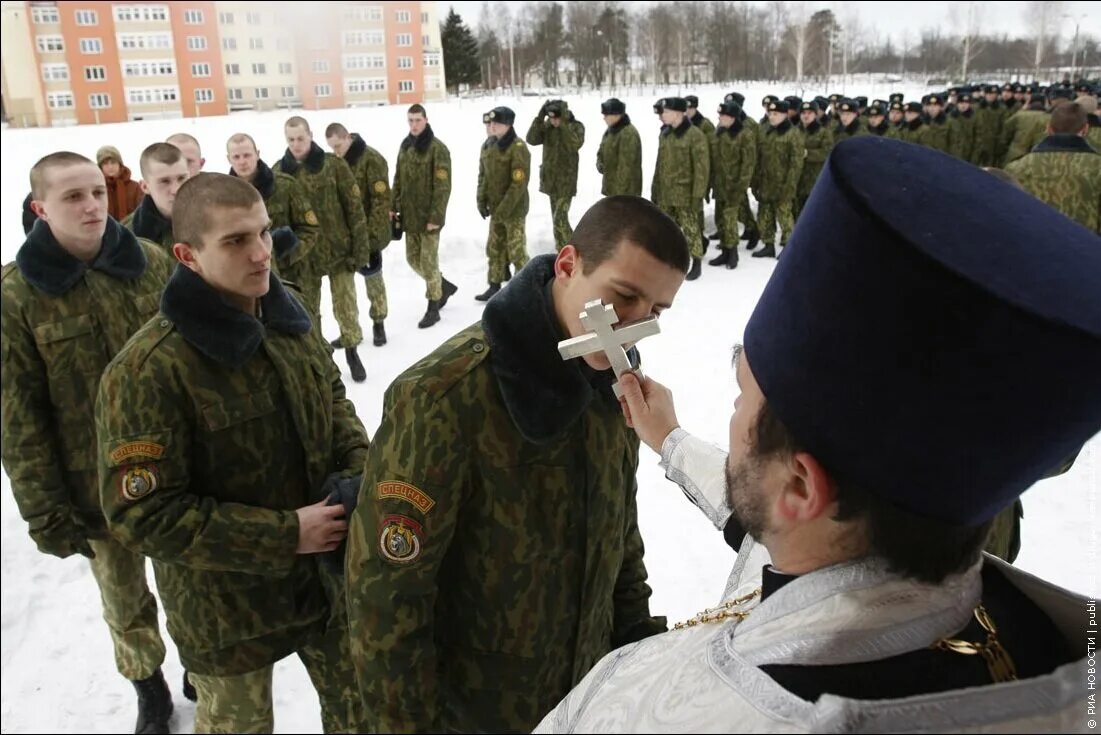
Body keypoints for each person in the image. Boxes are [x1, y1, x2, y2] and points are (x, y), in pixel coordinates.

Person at [534, 136, 1100, 733]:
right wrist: (670, 439)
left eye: (742, 399)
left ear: (801, 484)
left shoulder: (649, 709)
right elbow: (767, 517)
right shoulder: (1028, 635)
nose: (734, 418)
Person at [346, 196, 685, 733]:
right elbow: (387, 602)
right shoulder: (445, 398)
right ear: (569, 265)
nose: (634, 325)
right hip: (477, 715)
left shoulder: (609, 380)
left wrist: (634, 643)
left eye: (656, 312)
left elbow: (619, 531)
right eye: (623, 297)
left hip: (585, 699)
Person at [95, 172, 370, 733]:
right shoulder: (150, 371)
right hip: (226, 613)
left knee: (363, 717)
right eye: (236, 241)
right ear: (186, 255)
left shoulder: (285, 313)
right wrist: (285, 533)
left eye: (264, 233)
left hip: (324, 585)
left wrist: (357, 472)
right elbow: (142, 514)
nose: (261, 253)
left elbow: (333, 399)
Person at [2, 152, 176, 734]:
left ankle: (202, 663)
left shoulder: (150, 264)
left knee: (191, 581)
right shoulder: (15, 297)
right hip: (93, 488)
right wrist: (45, 510)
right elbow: (17, 417)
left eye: (97, 192)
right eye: (72, 196)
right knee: (125, 599)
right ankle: (148, 687)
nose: (92, 206)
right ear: (39, 209)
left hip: (175, 472)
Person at [274, 116, 371, 382]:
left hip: (339, 250)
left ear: (310, 135)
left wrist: (360, 249)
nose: (296, 144)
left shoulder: (334, 165)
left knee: (346, 306)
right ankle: (319, 357)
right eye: (291, 139)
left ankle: (352, 350)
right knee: (308, 311)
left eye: (300, 138)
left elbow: (354, 208)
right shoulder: (279, 173)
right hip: (304, 257)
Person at [226, 132, 320, 289]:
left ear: (257, 154)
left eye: (247, 155)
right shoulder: (224, 195)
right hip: (247, 281)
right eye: (236, 157)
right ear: (229, 159)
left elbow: (309, 228)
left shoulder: (285, 186)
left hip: (293, 278)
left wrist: (286, 255)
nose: (242, 162)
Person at [326, 123, 392, 346]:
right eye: (331, 148)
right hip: (345, 233)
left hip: (368, 231)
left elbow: (381, 201)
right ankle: (350, 330)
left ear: (347, 138)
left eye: (337, 146)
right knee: (345, 287)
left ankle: (379, 321)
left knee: (373, 277)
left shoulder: (372, 159)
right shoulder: (335, 162)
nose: (335, 152)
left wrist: (371, 235)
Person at [392, 104, 458, 329]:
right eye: (410, 120)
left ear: (426, 120)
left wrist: (436, 217)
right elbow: (398, 178)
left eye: (417, 120)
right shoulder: (406, 146)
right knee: (413, 259)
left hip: (429, 218)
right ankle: (443, 286)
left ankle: (433, 306)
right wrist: (393, 205)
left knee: (429, 263)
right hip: (410, 216)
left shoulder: (437, 148)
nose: (413, 125)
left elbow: (443, 186)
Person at [1006, 102, 1101, 233]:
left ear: (1049, 129)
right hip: (1084, 248)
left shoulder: (1017, 168)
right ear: (1085, 130)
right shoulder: (1097, 168)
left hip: (1033, 245)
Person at [474, 106, 530, 303]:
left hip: (513, 210)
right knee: (494, 247)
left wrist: (503, 209)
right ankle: (494, 284)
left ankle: (525, 287)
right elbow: (483, 176)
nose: (492, 126)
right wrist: (481, 199)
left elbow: (519, 183)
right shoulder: (488, 146)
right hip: (496, 209)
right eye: (490, 123)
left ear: (508, 125)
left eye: (496, 123)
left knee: (516, 250)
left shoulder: (518, 148)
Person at [651, 97, 710, 280]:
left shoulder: (695, 135)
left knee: (691, 228)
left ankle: (697, 261)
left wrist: (697, 194)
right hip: (666, 193)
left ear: (678, 113)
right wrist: (655, 188)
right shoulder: (665, 134)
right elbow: (660, 164)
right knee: (668, 229)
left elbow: (702, 168)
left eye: (666, 112)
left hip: (685, 193)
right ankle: (671, 260)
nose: (662, 116)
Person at [526, 99, 585, 251]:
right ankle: (562, 250)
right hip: (551, 182)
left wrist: (563, 124)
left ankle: (576, 250)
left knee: (560, 219)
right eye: (551, 117)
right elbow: (531, 139)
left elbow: (574, 144)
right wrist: (540, 117)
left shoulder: (575, 127)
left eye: (557, 117)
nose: (554, 121)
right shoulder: (548, 127)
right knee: (556, 221)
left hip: (566, 183)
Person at [707, 100, 756, 269]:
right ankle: (725, 251)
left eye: (724, 116)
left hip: (735, 186)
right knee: (720, 218)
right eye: (719, 115)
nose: (720, 118)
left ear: (733, 117)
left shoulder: (745, 135)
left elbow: (747, 164)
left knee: (729, 219)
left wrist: (741, 187)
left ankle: (732, 252)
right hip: (720, 185)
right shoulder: (718, 133)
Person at [752, 99, 803, 259]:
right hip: (766, 183)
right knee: (764, 215)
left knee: (785, 217)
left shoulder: (793, 134)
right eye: (770, 113)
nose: (772, 117)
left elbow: (796, 163)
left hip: (783, 184)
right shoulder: (767, 131)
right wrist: (756, 181)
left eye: (776, 114)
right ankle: (768, 244)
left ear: (785, 115)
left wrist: (790, 185)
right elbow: (759, 158)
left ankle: (790, 247)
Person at [122, 143, 190, 253]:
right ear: (145, 187)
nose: (176, 190)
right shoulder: (128, 237)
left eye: (181, 178)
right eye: (164, 181)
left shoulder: (213, 219)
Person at [596, 98, 643, 198]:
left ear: (617, 115)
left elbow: (626, 167)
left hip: (625, 194)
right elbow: (602, 151)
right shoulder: (610, 131)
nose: (604, 118)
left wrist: (619, 195)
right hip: (612, 190)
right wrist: (600, 163)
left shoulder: (628, 133)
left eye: (606, 115)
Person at [97, 145, 142, 221]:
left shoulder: (135, 187)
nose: (110, 166)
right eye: (105, 163)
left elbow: (142, 213)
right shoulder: (96, 189)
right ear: (100, 167)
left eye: (113, 162)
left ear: (120, 164)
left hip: (131, 231)